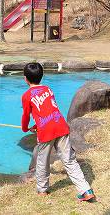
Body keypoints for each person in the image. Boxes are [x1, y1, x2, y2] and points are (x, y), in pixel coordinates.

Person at [21, 62, 95, 201]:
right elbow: (49, 109)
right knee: (70, 160)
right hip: (60, 126)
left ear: (25, 78)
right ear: (41, 77)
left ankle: (42, 190)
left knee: (42, 161)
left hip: (46, 132)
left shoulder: (26, 96)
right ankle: (86, 190)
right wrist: (38, 124)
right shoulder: (48, 89)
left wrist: (25, 128)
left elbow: (25, 116)